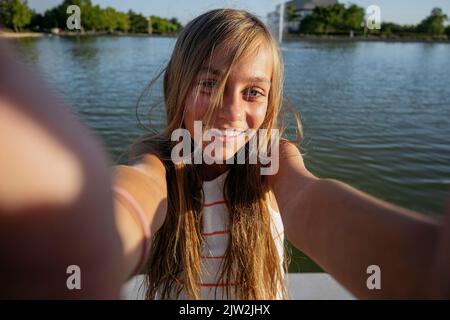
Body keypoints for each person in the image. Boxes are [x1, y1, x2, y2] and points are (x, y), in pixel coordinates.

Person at [0, 9, 449, 299]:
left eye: (252, 92)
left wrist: (426, 268)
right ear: (178, 86)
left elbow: (307, 201)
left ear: (270, 103)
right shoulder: (159, 157)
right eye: (209, 83)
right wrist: (85, 243)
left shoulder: (272, 157)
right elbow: (138, 190)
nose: (230, 112)